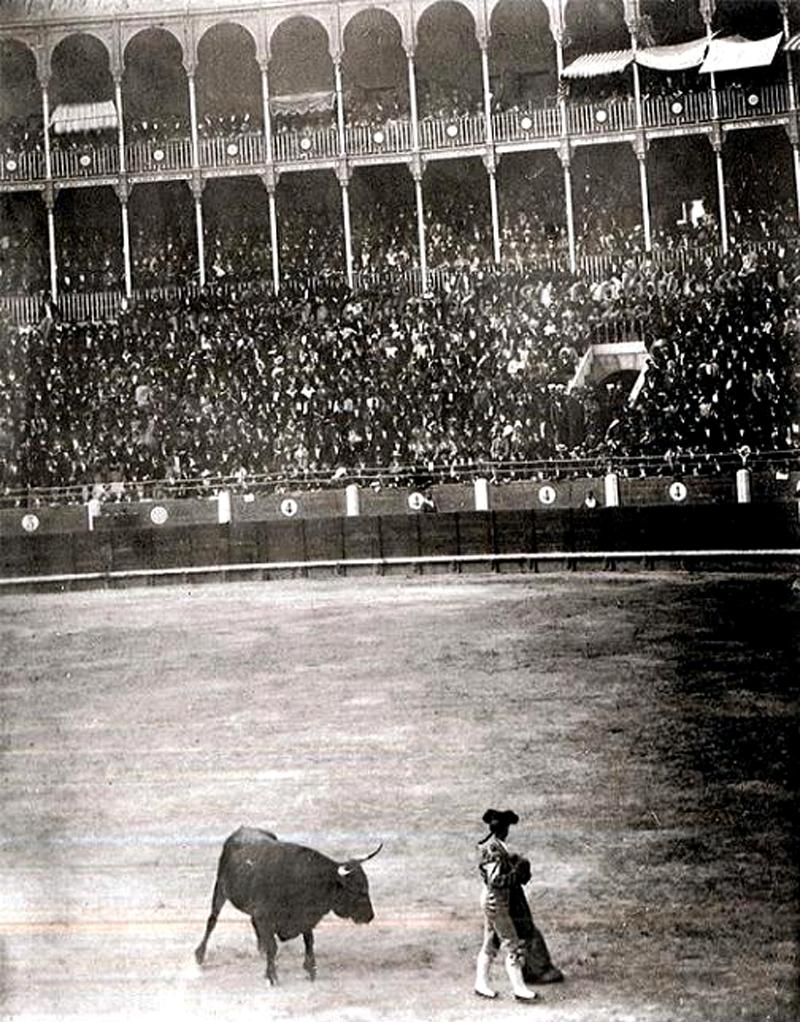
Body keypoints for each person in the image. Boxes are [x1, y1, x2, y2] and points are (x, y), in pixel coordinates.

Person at [474, 808, 540, 1002]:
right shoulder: (494, 849)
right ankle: (519, 989)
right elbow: (496, 881)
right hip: (497, 901)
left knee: (491, 942)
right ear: (504, 829)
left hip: (493, 899)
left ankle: (481, 983)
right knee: (512, 943)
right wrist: (516, 875)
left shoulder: (494, 846)